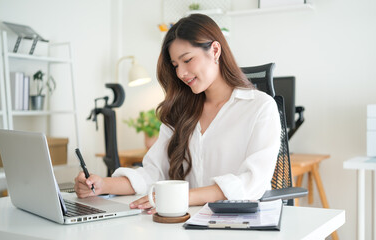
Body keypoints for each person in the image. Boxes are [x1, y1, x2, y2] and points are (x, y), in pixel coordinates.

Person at [75, 14, 281, 214]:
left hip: (239, 224)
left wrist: (182, 197)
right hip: (185, 223)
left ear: (215, 50)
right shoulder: (180, 111)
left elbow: (252, 181)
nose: (181, 73)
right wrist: (103, 184)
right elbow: (154, 172)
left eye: (187, 60)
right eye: (175, 66)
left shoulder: (260, 107)